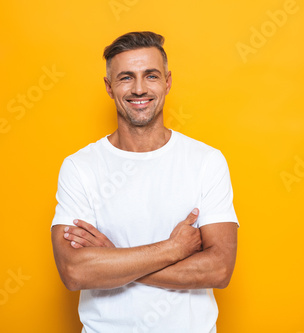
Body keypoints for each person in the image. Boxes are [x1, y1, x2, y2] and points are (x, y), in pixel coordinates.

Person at [51, 31, 239, 333]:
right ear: (109, 87)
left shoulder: (206, 160)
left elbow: (219, 269)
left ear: (167, 81)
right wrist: (172, 249)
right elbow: (74, 271)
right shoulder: (80, 167)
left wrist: (113, 261)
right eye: (126, 77)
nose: (139, 89)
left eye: (150, 76)